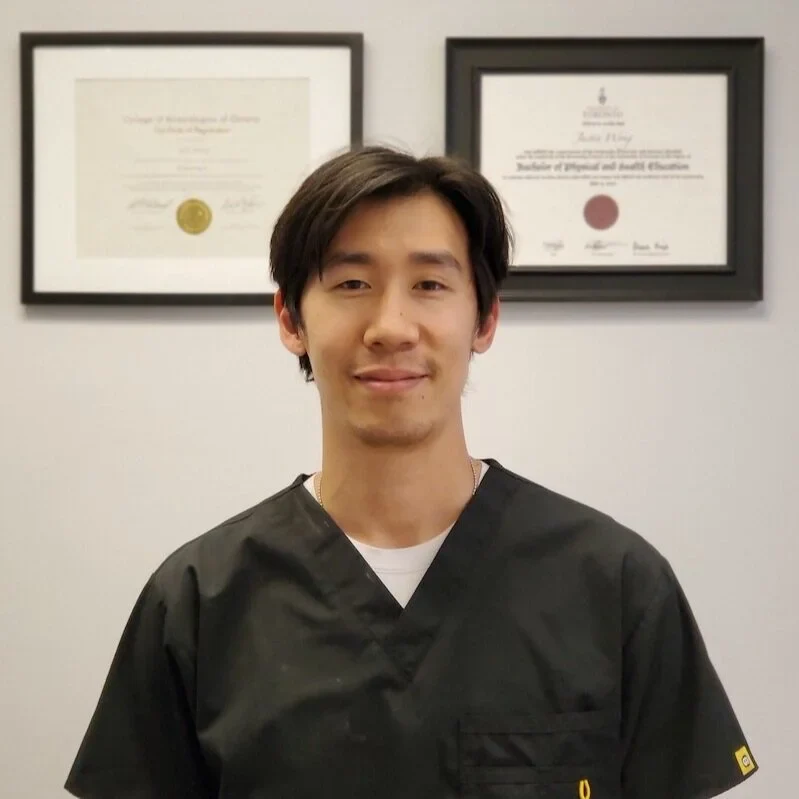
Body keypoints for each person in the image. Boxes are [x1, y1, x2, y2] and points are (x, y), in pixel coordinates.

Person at [65, 146, 759, 799]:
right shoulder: (197, 600)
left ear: (484, 317)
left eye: (429, 283)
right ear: (289, 319)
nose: (390, 325)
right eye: (352, 283)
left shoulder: (614, 583)